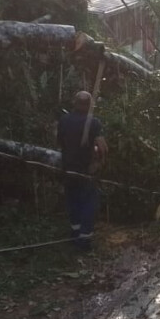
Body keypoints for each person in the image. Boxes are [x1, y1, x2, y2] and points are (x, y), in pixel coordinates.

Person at [56, 91, 109, 250]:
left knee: (73, 201)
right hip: (86, 171)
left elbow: (59, 143)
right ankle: (84, 240)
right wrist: (99, 162)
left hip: (67, 168)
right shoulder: (94, 123)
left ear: (74, 103)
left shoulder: (64, 120)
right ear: (90, 105)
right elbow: (103, 147)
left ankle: (75, 233)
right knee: (88, 203)